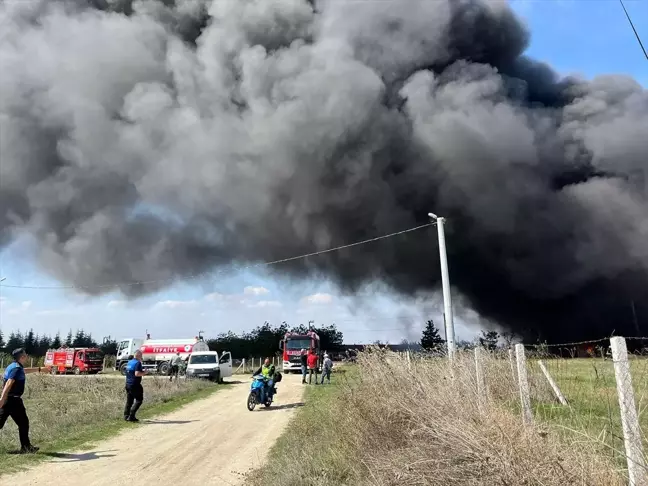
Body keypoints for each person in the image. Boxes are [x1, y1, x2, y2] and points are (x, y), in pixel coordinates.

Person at [0, 348, 39, 454]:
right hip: (12, 400)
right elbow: (9, 382)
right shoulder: (16, 368)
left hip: (11, 400)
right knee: (23, 423)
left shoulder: (14, 366)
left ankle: (26, 447)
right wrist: (2, 399)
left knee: (22, 423)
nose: (27, 356)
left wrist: (39, 369)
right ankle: (26, 447)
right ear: (22, 357)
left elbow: (24, 371)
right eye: (25, 354)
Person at [124, 350, 148, 422]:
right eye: (141, 355)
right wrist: (145, 372)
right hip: (135, 384)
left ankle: (126, 416)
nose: (142, 357)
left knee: (129, 401)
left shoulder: (129, 362)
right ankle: (131, 416)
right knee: (139, 400)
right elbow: (137, 374)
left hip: (128, 384)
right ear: (138, 355)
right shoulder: (138, 363)